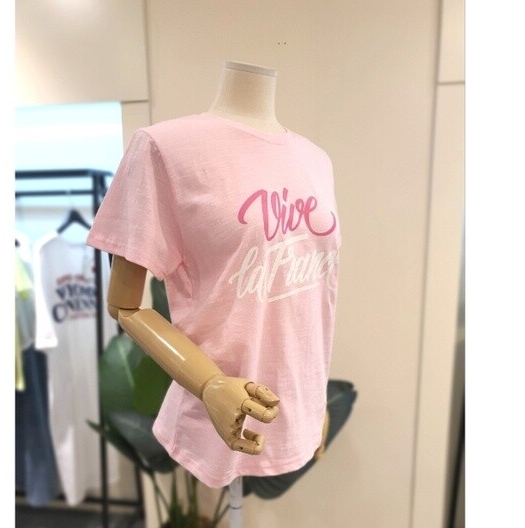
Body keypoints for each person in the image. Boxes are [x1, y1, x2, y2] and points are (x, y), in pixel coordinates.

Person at [86, 60, 341, 489]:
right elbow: (126, 305)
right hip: (217, 412)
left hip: (300, 406)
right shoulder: (163, 149)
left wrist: (315, 397)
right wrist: (210, 385)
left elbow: (309, 296)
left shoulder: (316, 159)